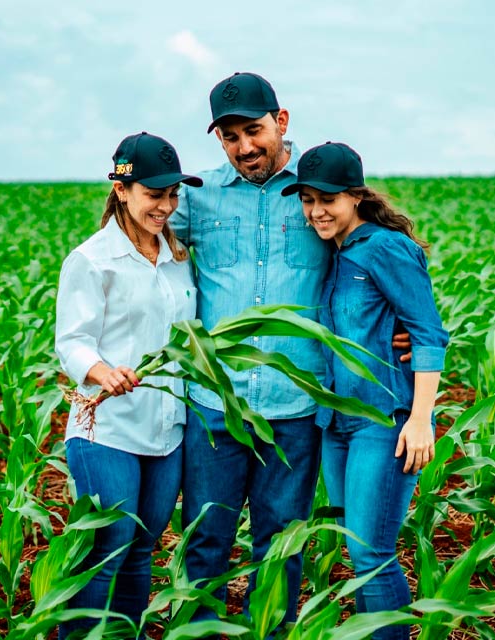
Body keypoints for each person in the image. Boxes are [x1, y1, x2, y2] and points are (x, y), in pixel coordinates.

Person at [169, 72, 329, 623]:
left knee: (281, 545)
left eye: (254, 131)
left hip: (295, 406)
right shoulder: (196, 197)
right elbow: (134, 231)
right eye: (229, 136)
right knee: (206, 540)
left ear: (281, 122)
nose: (244, 147)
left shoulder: (321, 189)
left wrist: (403, 329)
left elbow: (377, 249)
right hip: (216, 405)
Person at [282, 142, 448, 640]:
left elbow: (428, 333)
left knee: (370, 550)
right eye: (308, 199)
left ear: (355, 196)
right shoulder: (335, 253)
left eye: (327, 199)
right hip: (337, 425)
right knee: (355, 546)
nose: (316, 211)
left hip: (385, 421)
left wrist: (420, 419)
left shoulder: (383, 247)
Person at [54, 132, 202, 639]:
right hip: (108, 430)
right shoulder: (93, 260)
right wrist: (102, 371)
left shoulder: (179, 256)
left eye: (172, 195)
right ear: (122, 189)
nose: (165, 206)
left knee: (142, 551)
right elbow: (71, 341)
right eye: (153, 194)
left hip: (167, 430)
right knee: (108, 548)